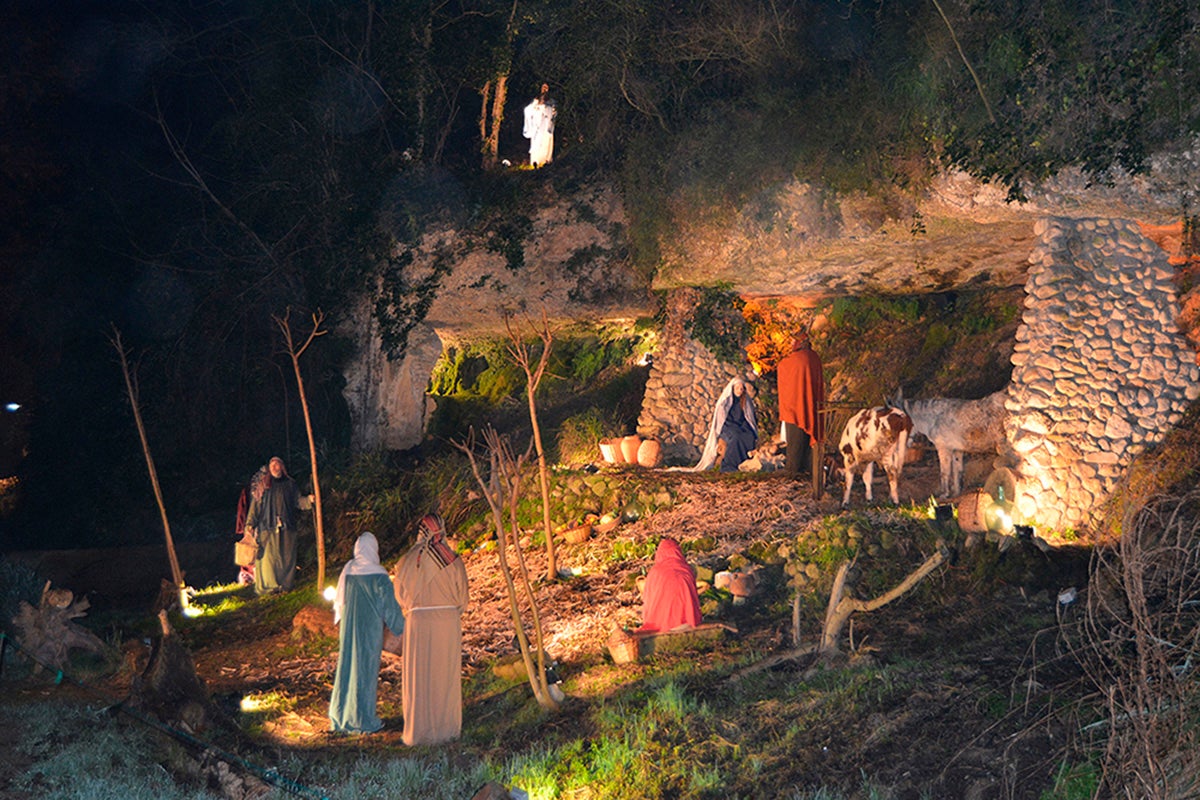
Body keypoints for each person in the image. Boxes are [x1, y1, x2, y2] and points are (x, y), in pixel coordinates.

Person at [392, 513, 470, 746]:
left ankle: (419, 731)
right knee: (443, 676)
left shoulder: (406, 561)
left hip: (417, 623)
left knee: (420, 676)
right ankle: (444, 730)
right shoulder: (452, 560)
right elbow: (463, 598)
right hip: (446, 622)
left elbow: (400, 595)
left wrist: (414, 607)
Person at [328, 532, 406, 734]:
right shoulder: (379, 576)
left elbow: (341, 600)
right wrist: (402, 628)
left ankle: (341, 715)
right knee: (364, 673)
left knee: (347, 669)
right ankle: (361, 719)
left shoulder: (349, 571)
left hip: (349, 630)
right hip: (369, 632)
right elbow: (390, 608)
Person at [243, 456, 313, 594]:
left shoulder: (290, 484)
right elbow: (255, 507)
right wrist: (250, 524)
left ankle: (285, 585)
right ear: (269, 468)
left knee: (286, 557)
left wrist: (309, 500)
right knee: (269, 559)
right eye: (272, 465)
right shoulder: (263, 485)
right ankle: (269, 587)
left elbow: (297, 502)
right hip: (267, 527)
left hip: (287, 527)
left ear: (282, 467)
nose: (275, 467)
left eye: (277, 465)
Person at [776, 331, 825, 479]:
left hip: (795, 406)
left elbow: (783, 368)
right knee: (809, 437)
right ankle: (809, 467)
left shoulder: (794, 360)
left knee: (795, 438)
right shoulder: (815, 357)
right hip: (813, 404)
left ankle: (793, 469)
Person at [693, 377, 758, 471]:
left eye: (741, 388)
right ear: (732, 389)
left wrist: (746, 427)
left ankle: (745, 463)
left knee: (749, 436)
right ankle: (730, 465)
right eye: (737, 388)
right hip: (728, 426)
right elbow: (722, 420)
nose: (740, 390)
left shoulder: (745, 401)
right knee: (736, 437)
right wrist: (734, 426)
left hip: (741, 425)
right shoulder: (725, 402)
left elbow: (748, 417)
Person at [638, 538, 702, 633]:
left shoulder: (655, 572)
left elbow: (648, 601)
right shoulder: (687, 569)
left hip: (662, 624)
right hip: (689, 622)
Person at [523, 83, 556, 168]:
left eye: (546, 87)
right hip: (537, 126)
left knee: (545, 143)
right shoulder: (535, 101)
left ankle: (546, 161)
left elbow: (554, 112)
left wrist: (547, 109)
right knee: (536, 144)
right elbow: (528, 110)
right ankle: (535, 162)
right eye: (543, 87)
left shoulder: (551, 102)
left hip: (546, 126)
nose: (544, 89)